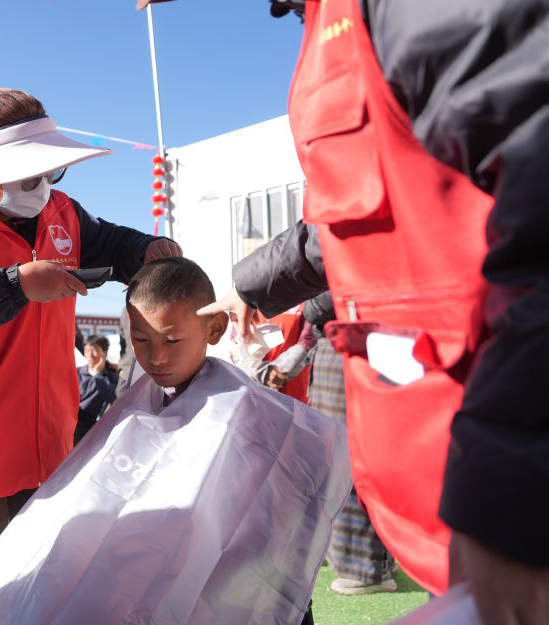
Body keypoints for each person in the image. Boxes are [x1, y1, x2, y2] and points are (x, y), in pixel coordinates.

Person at [142, 0, 549, 621]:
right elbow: (345, 219)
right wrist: (249, 287)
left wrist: (517, 490)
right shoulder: (328, 22)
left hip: (503, 477)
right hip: (451, 481)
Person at [0, 257, 348, 625]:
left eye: (172, 341)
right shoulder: (135, 404)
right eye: (141, 340)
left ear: (214, 328)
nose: (155, 358)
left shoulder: (244, 409)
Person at [0, 86, 182, 608]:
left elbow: (115, 243)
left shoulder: (64, 214)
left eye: (52, 173)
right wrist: (14, 284)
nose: (43, 188)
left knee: (44, 587)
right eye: (29, 176)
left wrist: (149, 249)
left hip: (51, 446)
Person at [304, 292, 397, 595]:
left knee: (349, 459)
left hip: (352, 344)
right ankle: (376, 562)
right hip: (356, 343)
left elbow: (323, 301)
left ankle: (368, 569)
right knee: (349, 457)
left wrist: (310, 306)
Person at [74, 334, 118, 444]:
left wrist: (97, 375)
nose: (90, 355)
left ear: (105, 353)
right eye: (87, 350)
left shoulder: (111, 376)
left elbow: (111, 397)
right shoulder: (76, 372)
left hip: (93, 424)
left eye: (94, 350)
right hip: (73, 420)